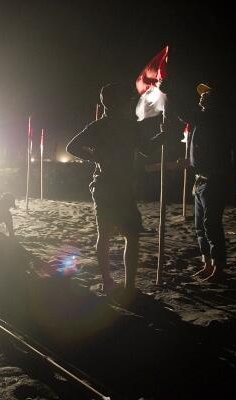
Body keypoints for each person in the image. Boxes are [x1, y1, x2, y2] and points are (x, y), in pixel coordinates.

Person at [66, 83, 143, 294]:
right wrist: (162, 136)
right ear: (117, 103)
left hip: (107, 185)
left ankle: (110, 282)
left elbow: (72, 147)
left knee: (108, 234)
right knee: (129, 235)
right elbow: (147, 148)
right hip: (117, 186)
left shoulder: (99, 126)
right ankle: (127, 285)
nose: (129, 105)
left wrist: (95, 157)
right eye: (126, 101)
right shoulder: (125, 126)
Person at [180, 83, 233, 282]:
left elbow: (184, 113)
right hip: (200, 180)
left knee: (211, 225)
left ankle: (218, 268)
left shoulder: (214, 119)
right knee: (200, 227)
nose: (201, 97)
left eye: (207, 95)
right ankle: (207, 264)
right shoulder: (204, 120)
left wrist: (168, 94)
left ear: (216, 101)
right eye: (202, 95)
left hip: (214, 181)